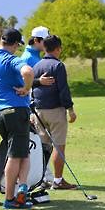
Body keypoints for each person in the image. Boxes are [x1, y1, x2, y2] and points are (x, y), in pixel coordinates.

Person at [0, 28, 34, 209]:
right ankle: (10, 199)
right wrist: (27, 88)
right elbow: (28, 72)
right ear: (14, 44)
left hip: (1, 113)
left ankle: (22, 189)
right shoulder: (11, 59)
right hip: (17, 111)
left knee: (22, 154)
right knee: (15, 156)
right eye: (17, 47)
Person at [31, 35, 78, 190]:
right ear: (58, 49)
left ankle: (43, 178)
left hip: (38, 111)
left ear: (44, 48)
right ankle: (57, 180)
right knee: (59, 146)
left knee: (44, 147)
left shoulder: (36, 65)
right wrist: (70, 109)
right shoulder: (58, 66)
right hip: (55, 111)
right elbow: (63, 90)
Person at [20, 25, 56, 187]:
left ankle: (45, 177)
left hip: (37, 106)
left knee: (43, 142)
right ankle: (44, 178)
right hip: (30, 107)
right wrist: (38, 82)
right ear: (36, 41)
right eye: (44, 41)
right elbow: (21, 82)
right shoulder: (27, 58)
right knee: (41, 142)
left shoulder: (36, 56)